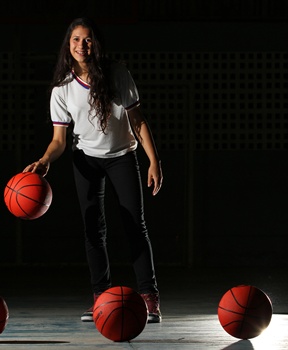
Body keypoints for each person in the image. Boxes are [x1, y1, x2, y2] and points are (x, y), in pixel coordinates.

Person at [23, 17, 163, 323]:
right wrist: (45, 160)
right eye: (75, 40)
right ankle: (101, 298)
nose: (81, 45)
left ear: (96, 44)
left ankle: (149, 298)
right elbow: (58, 140)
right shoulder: (62, 88)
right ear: (67, 44)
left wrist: (154, 160)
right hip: (86, 159)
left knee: (134, 226)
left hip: (122, 156)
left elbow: (137, 119)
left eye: (87, 40)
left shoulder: (118, 73)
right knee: (93, 230)